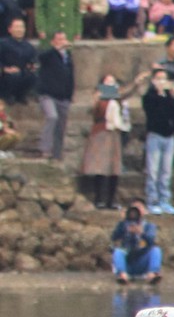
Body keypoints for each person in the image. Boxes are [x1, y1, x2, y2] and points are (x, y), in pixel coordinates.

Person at [137, 68, 174, 213]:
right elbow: (153, 110)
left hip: (169, 137)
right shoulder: (150, 97)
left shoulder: (170, 97)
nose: (162, 82)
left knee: (166, 171)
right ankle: (152, 200)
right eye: (159, 79)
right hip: (155, 136)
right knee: (153, 170)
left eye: (164, 79)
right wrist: (159, 93)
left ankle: (165, 200)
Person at [78, 74, 127, 210]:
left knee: (114, 167)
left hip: (114, 133)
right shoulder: (98, 99)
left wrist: (136, 83)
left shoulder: (118, 99)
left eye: (113, 82)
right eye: (107, 82)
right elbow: (92, 112)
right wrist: (96, 99)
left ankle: (111, 199)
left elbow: (127, 94)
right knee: (100, 166)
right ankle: (99, 198)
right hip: (101, 132)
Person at [35, 30, 73, 161]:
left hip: (63, 97)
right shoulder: (48, 55)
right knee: (52, 116)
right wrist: (55, 49)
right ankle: (44, 148)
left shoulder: (68, 56)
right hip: (47, 94)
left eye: (63, 39)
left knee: (61, 126)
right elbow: (41, 58)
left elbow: (70, 76)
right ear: (53, 42)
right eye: (59, 40)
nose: (62, 43)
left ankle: (57, 153)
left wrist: (70, 96)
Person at [109, 202, 160, 285]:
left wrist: (142, 233)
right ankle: (122, 276)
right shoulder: (123, 224)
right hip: (127, 262)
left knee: (156, 250)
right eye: (134, 208)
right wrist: (123, 225)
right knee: (118, 251)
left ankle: (152, 274)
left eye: (139, 207)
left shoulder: (149, 226)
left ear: (145, 211)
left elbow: (151, 242)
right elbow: (114, 238)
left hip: (141, 261)